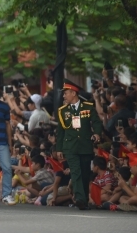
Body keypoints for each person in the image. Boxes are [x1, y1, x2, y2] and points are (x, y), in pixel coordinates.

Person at [56, 80, 102, 210]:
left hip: (85, 145)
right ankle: (80, 199)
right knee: (75, 172)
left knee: (85, 173)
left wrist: (97, 134)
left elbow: (97, 122)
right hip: (70, 146)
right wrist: (59, 148)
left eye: (66, 93)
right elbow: (60, 131)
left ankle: (84, 200)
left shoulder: (88, 107)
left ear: (73, 93)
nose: (64, 96)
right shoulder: (62, 111)